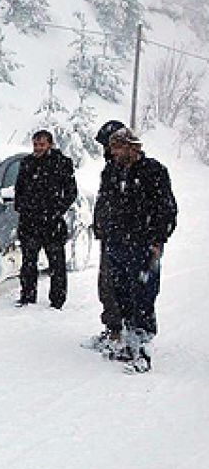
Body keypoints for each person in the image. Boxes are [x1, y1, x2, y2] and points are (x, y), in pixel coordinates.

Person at [95, 127, 177, 371]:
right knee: (120, 292)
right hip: (117, 243)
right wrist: (103, 228)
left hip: (144, 244)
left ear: (132, 147)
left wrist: (157, 239)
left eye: (118, 147)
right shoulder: (111, 171)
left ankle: (142, 347)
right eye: (112, 148)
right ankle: (127, 341)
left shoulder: (154, 171)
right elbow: (104, 201)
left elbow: (167, 208)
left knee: (144, 293)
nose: (114, 152)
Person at [13, 129, 78, 309]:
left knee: (56, 263)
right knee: (28, 262)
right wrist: (21, 207)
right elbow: (19, 189)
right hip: (29, 221)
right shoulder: (27, 163)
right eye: (35, 144)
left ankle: (57, 300)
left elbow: (71, 191)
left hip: (52, 222)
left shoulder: (62, 163)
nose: (38, 148)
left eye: (42, 144)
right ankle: (27, 295)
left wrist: (57, 210)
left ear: (50, 144)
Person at [84, 119, 126, 350]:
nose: (105, 151)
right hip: (110, 235)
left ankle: (122, 332)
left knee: (119, 285)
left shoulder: (129, 169)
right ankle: (113, 328)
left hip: (125, 238)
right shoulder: (111, 169)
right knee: (107, 284)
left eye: (107, 145)